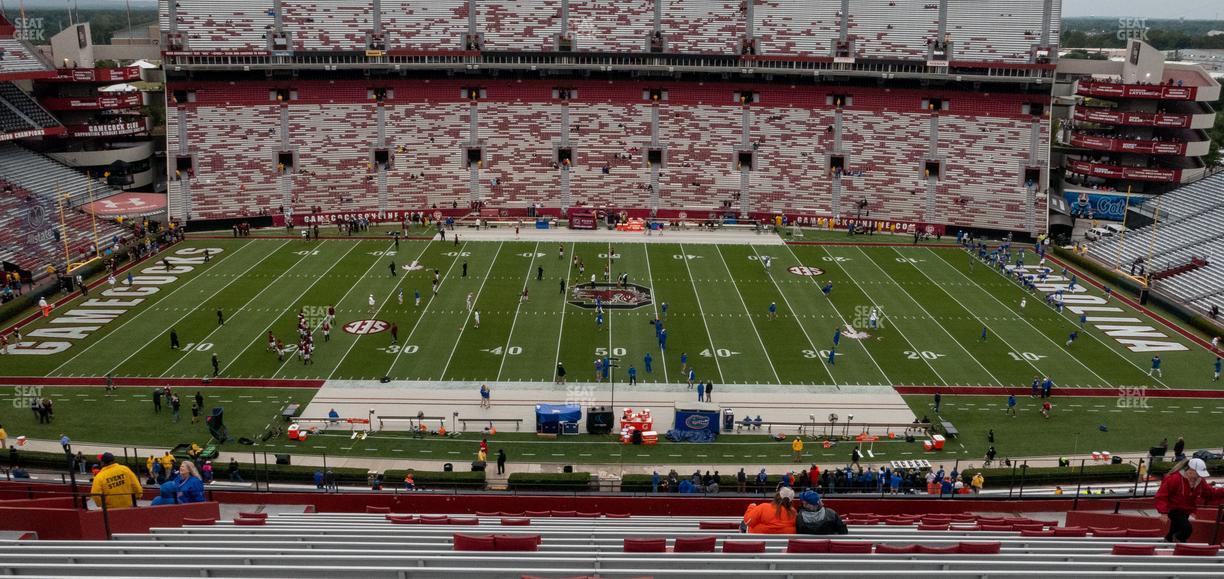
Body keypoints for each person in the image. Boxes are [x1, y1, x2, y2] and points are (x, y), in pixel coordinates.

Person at [1155, 458, 1224, 543]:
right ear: (1191, 470)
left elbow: (1210, 494)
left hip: (1186, 510)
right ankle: (1179, 543)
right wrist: (1163, 512)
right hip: (1173, 509)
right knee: (1186, 529)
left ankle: (1168, 542)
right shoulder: (1174, 479)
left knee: (1175, 530)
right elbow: (1162, 495)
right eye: (1198, 474)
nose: (1199, 476)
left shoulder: (1200, 481)